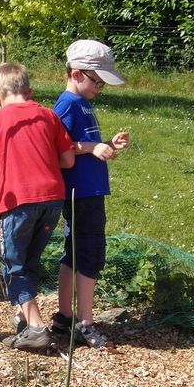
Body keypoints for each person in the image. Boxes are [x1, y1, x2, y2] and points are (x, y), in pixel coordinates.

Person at [0, 63, 75, 350]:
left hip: (17, 201)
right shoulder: (48, 115)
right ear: (28, 90)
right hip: (52, 200)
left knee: (13, 264)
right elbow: (68, 160)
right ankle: (22, 317)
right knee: (30, 260)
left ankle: (36, 326)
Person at [51, 40, 129, 349]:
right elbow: (57, 148)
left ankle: (65, 318)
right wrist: (90, 147)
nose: (100, 87)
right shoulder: (67, 105)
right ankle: (84, 322)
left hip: (88, 191)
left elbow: (79, 144)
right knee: (89, 255)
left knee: (75, 253)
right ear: (76, 73)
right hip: (80, 193)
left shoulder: (83, 103)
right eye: (96, 81)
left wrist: (106, 144)